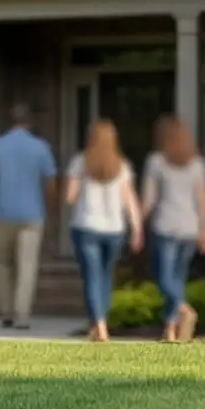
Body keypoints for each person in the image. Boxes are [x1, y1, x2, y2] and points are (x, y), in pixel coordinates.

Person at [0, 103, 58, 328]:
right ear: (30, 122)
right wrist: (51, 208)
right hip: (32, 215)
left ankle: (6, 311)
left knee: (4, 265)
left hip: (3, 214)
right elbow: (50, 184)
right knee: (27, 266)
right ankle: (22, 314)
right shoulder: (41, 148)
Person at [60, 119, 141, 343]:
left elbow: (69, 197)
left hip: (86, 226)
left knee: (92, 277)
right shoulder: (121, 166)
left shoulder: (80, 162)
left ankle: (99, 325)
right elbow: (129, 200)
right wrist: (137, 229)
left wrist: (73, 185)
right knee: (105, 277)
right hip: (114, 229)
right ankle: (100, 323)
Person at [137, 114, 205, 343]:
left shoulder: (156, 162)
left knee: (163, 278)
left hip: (166, 227)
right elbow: (203, 200)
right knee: (177, 279)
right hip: (190, 229)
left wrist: (137, 223)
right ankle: (170, 330)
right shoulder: (198, 164)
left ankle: (182, 309)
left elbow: (149, 199)